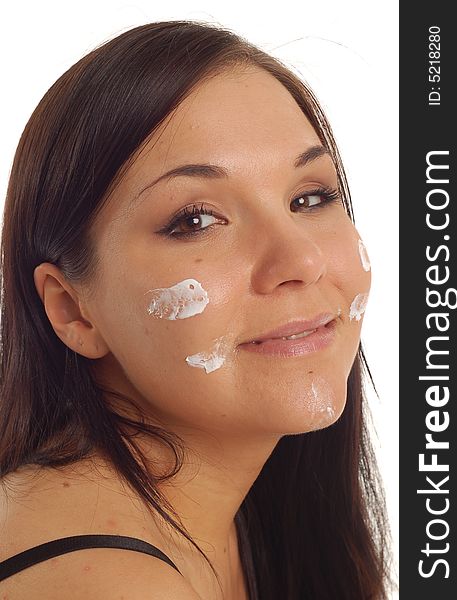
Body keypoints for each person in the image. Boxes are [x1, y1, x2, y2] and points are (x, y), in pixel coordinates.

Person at [0, 20, 391, 599]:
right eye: (196, 220)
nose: (300, 259)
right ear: (73, 310)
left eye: (310, 198)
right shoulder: (112, 586)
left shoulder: (243, 521)